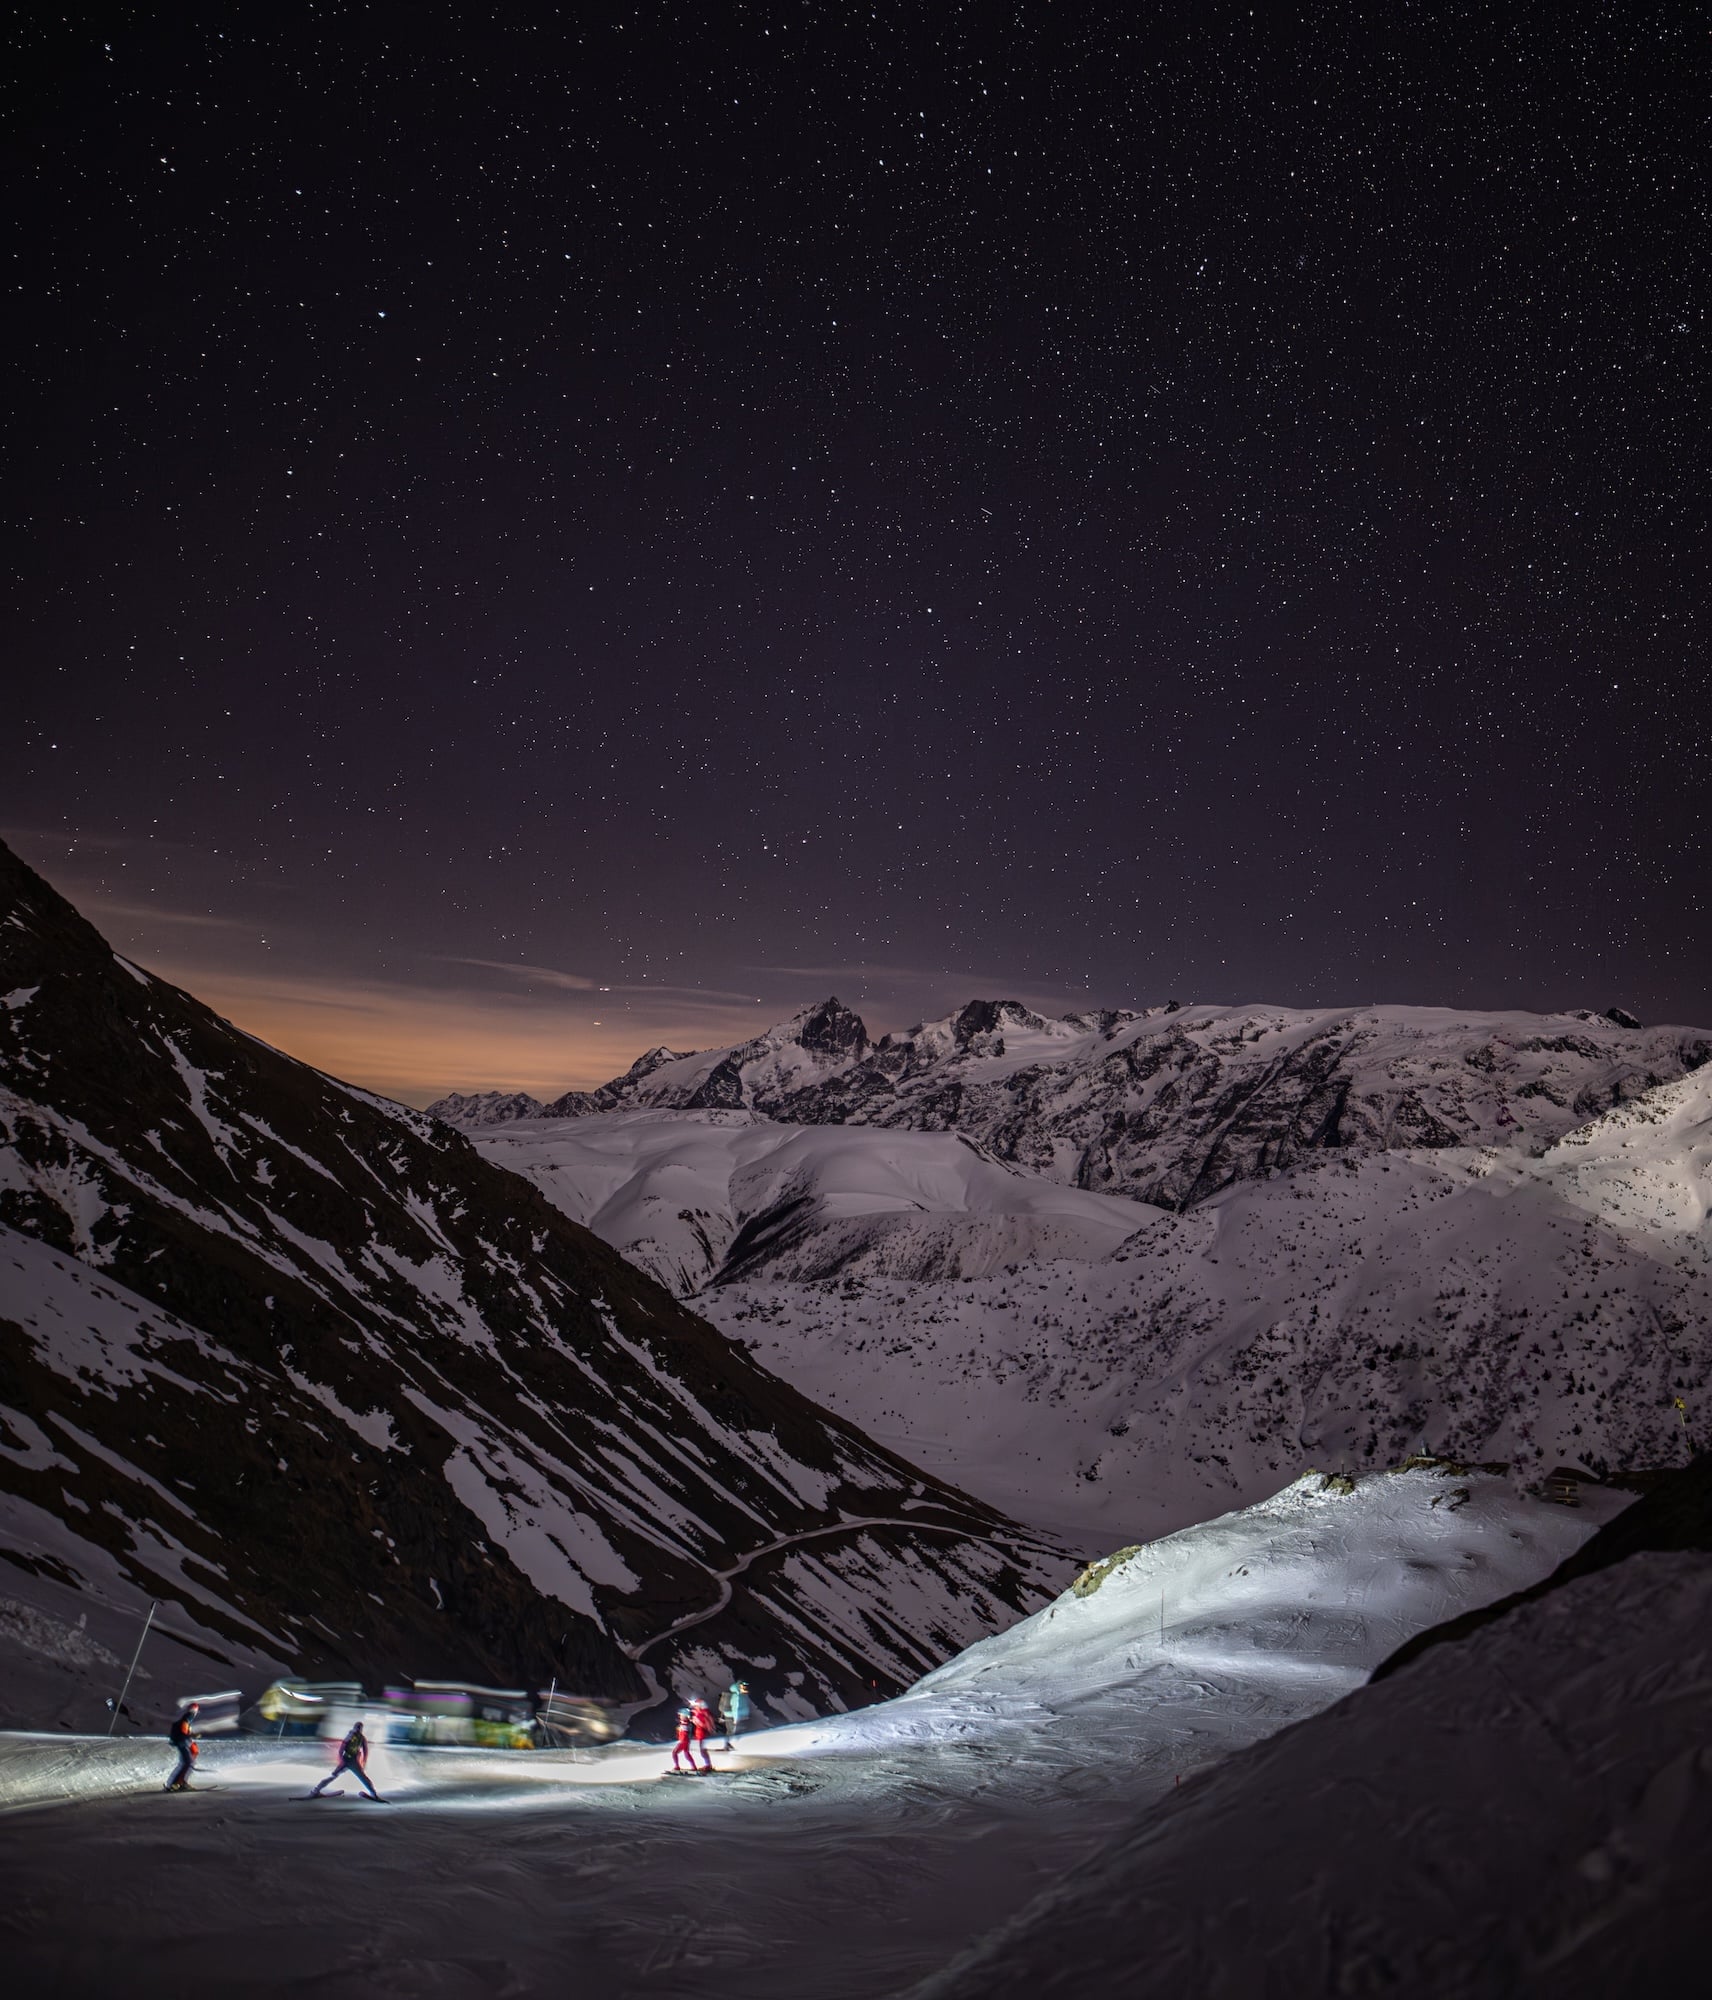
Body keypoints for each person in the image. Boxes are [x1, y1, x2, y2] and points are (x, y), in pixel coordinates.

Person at [310, 1720, 383, 1800]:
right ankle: (316, 1790)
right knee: (335, 1775)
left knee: (361, 1778)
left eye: (359, 1728)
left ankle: (316, 1790)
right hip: (349, 1760)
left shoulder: (360, 1737)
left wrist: (363, 1761)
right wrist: (342, 1759)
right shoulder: (352, 1736)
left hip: (352, 1761)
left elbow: (364, 1750)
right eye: (358, 1728)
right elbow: (343, 1748)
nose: (358, 1729)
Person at [165, 1701, 199, 1792]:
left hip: (182, 1742)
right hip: (182, 1743)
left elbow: (185, 1731)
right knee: (187, 1763)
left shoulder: (187, 1718)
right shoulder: (189, 1716)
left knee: (186, 1763)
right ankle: (175, 1784)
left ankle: (179, 1783)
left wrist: (191, 1738)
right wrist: (192, 1736)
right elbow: (184, 1731)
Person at [717, 1680, 751, 1753]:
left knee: (731, 1731)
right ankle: (728, 1746)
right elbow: (735, 1708)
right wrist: (736, 1719)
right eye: (744, 1686)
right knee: (732, 1732)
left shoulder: (739, 1695)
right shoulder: (737, 1696)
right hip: (733, 1717)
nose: (745, 1688)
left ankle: (728, 1746)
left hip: (733, 1716)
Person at [690, 1695, 716, 1771]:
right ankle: (707, 1765)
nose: (694, 1707)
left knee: (703, 1750)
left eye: (696, 1705)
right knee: (702, 1750)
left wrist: (710, 1729)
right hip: (699, 1733)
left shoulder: (704, 1712)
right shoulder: (697, 1712)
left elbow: (708, 1721)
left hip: (703, 1733)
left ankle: (708, 1765)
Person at [669, 1705, 697, 1773]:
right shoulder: (685, 1722)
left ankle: (677, 1766)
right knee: (687, 1754)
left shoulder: (685, 1723)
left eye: (681, 1715)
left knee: (674, 1752)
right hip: (686, 1741)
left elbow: (685, 1725)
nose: (679, 1716)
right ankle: (693, 1767)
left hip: (683, 1741)